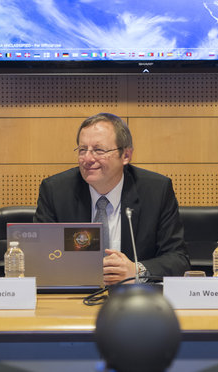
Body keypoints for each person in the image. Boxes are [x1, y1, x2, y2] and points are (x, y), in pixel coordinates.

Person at [34, 113, 190, 285]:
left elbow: (178, 259)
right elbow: (40, 259)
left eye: (99, 150)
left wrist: (137, 270)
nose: (87, 159)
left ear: (126, 156)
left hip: (135, 299)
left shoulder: (156, 191)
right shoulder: (56, 191)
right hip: (73, 298)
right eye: (82, 149)